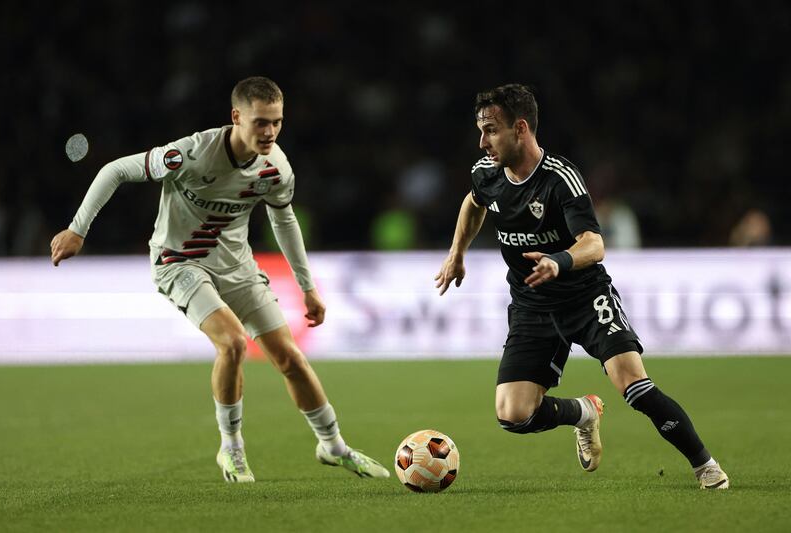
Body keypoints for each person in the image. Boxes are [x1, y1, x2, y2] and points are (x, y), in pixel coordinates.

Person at [50, 76, 389, 483]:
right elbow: (116, 170)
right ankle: (231, 449)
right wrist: (77, 229)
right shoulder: (192, 153)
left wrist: (307, 287)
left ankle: (333, 447)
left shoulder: (276, 167)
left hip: (238, 268)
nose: (270, 131)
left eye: (277, 122)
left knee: (291, 358)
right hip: (179, 263)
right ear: (236, 117)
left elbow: (283, 220)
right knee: (232, 342)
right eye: (260, 122)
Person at [434, 84, 729, 489]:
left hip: (585, 298)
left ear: (520, 129)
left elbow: (594, 244)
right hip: (532, 306)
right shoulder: (486, 172)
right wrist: (457, 253)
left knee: (635, 387)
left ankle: (705, 465)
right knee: (513, 415)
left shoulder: (560, 179)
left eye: (491, 130)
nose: (482, 142)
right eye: (481, 131)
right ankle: (583, 413)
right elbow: (474, 203)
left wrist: (559, 260)